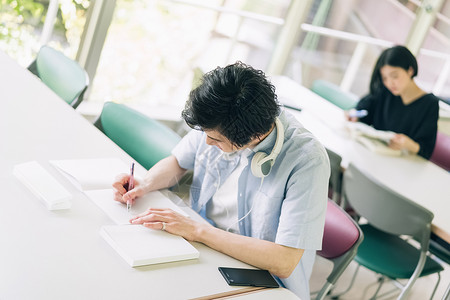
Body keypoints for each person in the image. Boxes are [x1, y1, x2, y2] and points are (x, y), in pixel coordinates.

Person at [112, 62, 330, 300]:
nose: (206, 143)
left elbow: (284, 261)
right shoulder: (221, 115)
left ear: (253, 136)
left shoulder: (307, 160)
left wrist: (198, 231)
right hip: (202, 240)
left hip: (258, 277)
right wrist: (145, 183)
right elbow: (178, 162)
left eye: (215, 139)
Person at [347, 45, 439, 159]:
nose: (390, 83)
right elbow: (364, 109)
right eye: (385, 78)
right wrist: (355, 114)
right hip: (373, 156)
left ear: (410, 70)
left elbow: (425, 149)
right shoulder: (386, 91)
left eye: (394, 76)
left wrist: (408, 144)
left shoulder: (430, 104)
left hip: (402, 164)